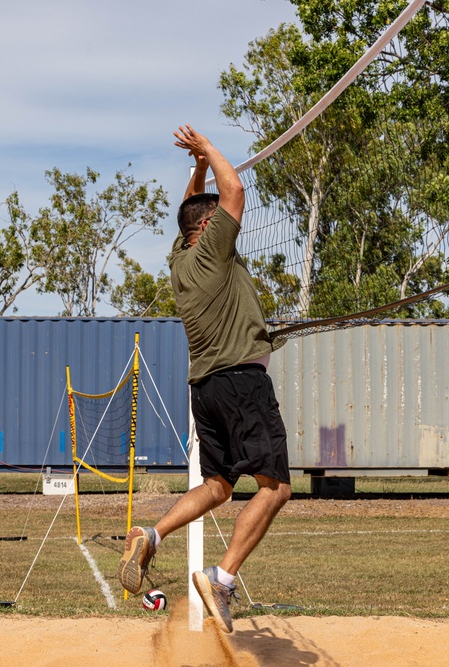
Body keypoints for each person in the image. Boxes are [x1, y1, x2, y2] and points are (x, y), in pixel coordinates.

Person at [117, 125, 291, 634]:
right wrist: (209, 148)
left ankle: (152, 534)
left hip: (206, 388)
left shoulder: (179, 262)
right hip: (242, 383)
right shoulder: (215, 248)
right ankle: (222, 577)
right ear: (211, 225)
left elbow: (192, 207)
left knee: (217, 486)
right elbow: (233, 191)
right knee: (275, 489)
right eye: (219, 219)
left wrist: (194, 168)